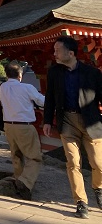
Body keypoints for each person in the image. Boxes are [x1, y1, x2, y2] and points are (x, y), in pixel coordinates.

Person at [42, 36, 102, 219]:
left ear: (70, 52)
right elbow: (50, 97)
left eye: (57, 50)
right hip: (66, 120)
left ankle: (98, 189)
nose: (54, 53)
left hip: (91, 121)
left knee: (99, 164)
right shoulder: (54, 73)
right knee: (73, 163)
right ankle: (81, 202)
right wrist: (47, 121)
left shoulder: (92, 73)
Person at [0, 60, 45, 201]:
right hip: (24, 125)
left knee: (16, 155)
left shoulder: (1, 87)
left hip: (8, 125)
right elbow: (41, 101)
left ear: (6, 74)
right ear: (20, 75)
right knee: (34, 156)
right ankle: (25, 182)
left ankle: (19, 181)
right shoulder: (27, 88)